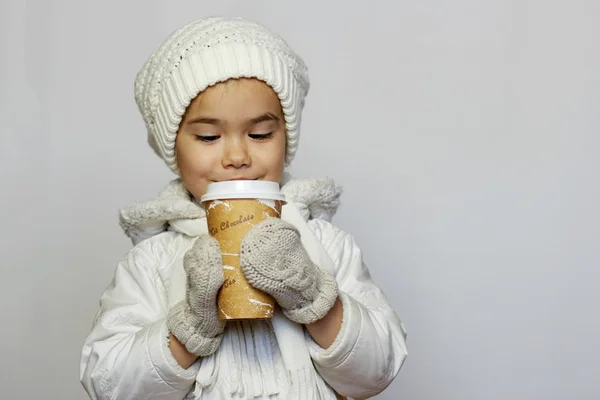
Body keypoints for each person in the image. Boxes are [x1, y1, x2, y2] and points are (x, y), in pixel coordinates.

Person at [79, 16, 407, 400]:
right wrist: (190, 328)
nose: (237, 156)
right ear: (173, 148)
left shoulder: (325, 245)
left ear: (286, 137)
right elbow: (108, 384)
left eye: (260, 134)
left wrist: (313, 297)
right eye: (208, 136)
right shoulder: (152, 261)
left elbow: (377, 372)